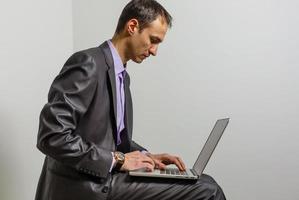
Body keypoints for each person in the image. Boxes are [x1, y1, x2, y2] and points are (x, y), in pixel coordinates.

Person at [35, 0, 226, 199]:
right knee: (208, 191)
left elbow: (113, 139)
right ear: (132, 26)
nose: (154, 51)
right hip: (85, 184)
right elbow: (51, 136)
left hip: (107, 177)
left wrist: (147, 156)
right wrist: (118, 160)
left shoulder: (122, 77)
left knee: (206, 182)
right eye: (153, 40)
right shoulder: (88, 63)